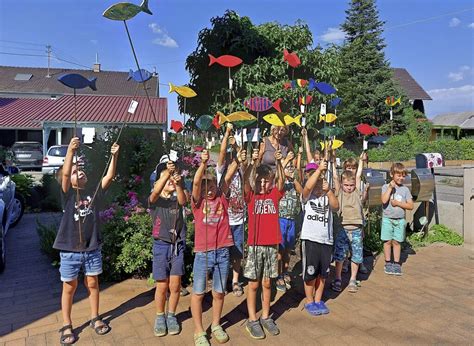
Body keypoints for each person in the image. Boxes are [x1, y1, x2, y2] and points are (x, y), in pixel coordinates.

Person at [53, 137, 119, 345]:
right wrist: (70, 152)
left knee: (92, 283)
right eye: (74, 172)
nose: (78, 172)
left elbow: (109, 176)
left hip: (91, 247)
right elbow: (64, 174)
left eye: (80, 170)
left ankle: (95, 317)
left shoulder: (94, 193)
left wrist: (114, 156)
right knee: (69, 287)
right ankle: (66, 324)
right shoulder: (67, 194)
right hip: (69, 249)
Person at [191, 149, 244, 346]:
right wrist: (203, 164)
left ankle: (215, 324)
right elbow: (196, 183)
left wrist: (238, 158)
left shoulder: (223, 198)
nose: (208, 189)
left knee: (219, 292)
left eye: (211, 184)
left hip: (222, 251)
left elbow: (228, 177)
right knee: (198, 293)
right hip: (203, 253)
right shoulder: (197, 203)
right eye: (205, 186)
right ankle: (198, 331)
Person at [243, 148, 285, 339]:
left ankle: (266, 316)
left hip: (271, 245)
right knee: (253, 284)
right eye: (259, 180)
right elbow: (246, 181)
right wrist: (254, 161)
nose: (262, 183)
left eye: (265, 181)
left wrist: (279, 163)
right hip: (254, 245)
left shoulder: (274, 194)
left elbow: (282, 181)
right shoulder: (251, 196)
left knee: (268, 283)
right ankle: (252, 319)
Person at [149, 159, 188, 337]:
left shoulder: (177, 196)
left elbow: (183, 200)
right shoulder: (155, 199)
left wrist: (179, 184)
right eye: (165, 173)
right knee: (162, 285)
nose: (170, 177)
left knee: (175, 285)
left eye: (173, 173)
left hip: (177, 244)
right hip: (161, 244)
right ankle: (159, 316)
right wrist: (166, 173)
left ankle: (171, 315)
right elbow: (156, 191)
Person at [300, 158, 339, 316]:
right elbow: (307, 187)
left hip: (326, 240)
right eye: (312, 177)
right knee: (310, 273)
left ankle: (318, 299)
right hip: (310, 239)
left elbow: (336, 207)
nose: (315, 181)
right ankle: (309, 300)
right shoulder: (307, 197)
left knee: (323, 274)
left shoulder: (326, 195)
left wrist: (328, 191)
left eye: (318, 178)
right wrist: (317, 171)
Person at [216, 124, 246, 297]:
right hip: (225, 219)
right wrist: (226, 133)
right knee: (223, 251)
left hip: (239, 219)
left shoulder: (240, 170)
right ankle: (223, 280)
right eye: (229, 155)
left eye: (232, 155)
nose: (230, 157)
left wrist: (236, 145)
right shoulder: (222, 171)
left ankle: (235, 280)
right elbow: (220, 154)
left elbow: (243, 156)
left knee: (237, 252)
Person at [332, 153, 367, 293]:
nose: (349, 187)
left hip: (357, 228)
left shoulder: (357, 191)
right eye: (346, 185)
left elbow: (358, 175)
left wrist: (361, 161)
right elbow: (335, 177)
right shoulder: (339, 191)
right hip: (343, 228)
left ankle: (352, 279)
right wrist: (333, 163)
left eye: (351, 185)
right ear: (342, 184)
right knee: (340, 255)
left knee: (356, 255)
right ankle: (338, 278)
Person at [380, 162, 414, 276]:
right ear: (392, 174)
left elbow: (410, 206)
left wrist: (399, 203)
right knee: (387, 241)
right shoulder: (385, 187)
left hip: (400, 220)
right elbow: (384, 201)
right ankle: (388, 262)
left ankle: (396, 263)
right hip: (387, 219)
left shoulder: (405, 190)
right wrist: (390, 188)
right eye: (398, 175)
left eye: (403, 176)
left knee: (397, 241)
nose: (401, 178)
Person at [276, 162, 302, 292]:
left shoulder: (294, 182)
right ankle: (278, 275)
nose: (290, 169)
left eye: (292, 167)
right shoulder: (280, 182)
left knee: (287, 250)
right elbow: (279, 185)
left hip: (292, 220)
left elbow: (301, 192)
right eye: (288, 167)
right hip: (280, 219)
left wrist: (293, 178)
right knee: (280, 249)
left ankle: (285, 272)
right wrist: (282, 167)